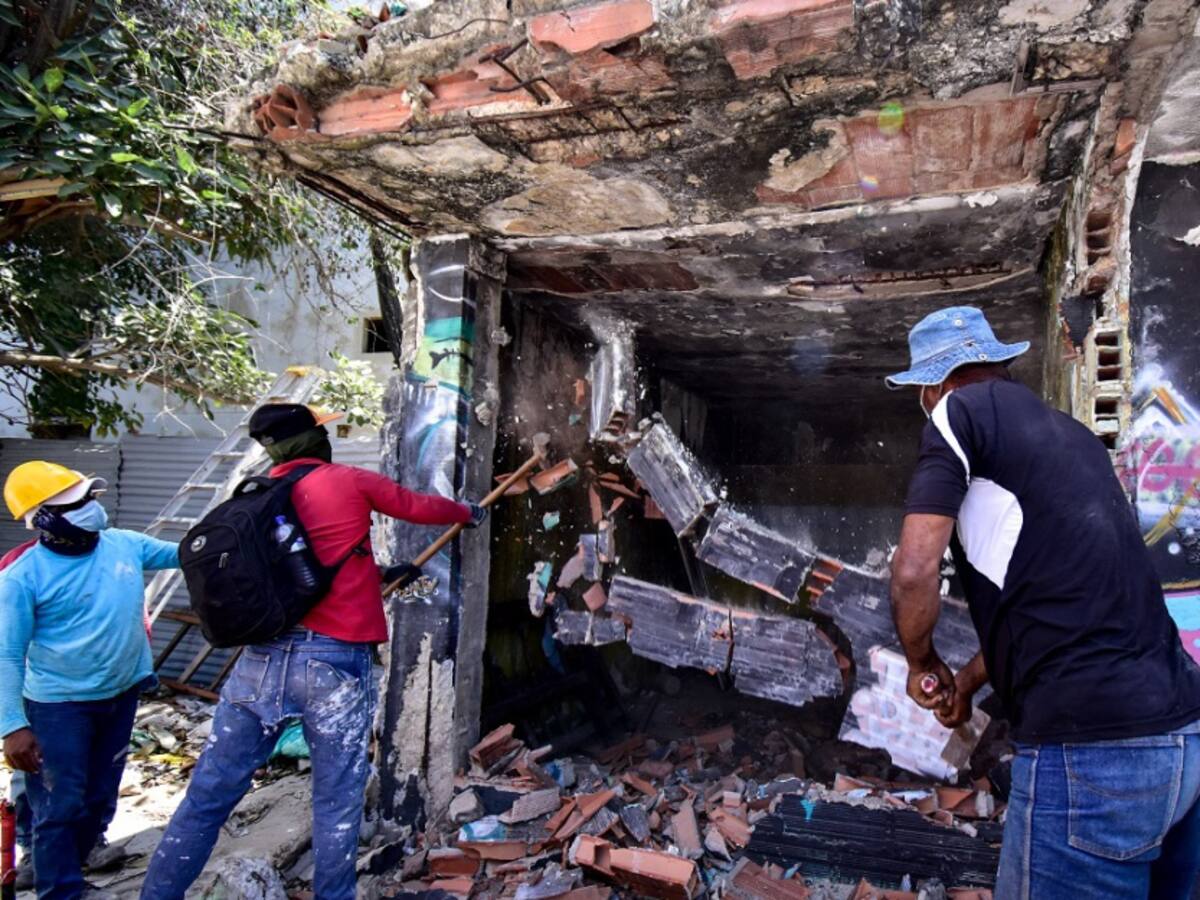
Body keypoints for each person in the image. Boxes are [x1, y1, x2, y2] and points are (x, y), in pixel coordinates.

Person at [887, 306, 1200, 899]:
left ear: (930, 387)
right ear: (1001, 365)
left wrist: (923, 664)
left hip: (1094, 751)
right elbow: (1054, 603)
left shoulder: (958, 410)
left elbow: (913, 569)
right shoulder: (1075, 438)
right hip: (1184, 739)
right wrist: (970, 681)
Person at [141, 403, 487, 900]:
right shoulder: (345, 481)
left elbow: (304, 569)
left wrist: (382, 575)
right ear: (311, 439)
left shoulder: (258, 499)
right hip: (333, 667)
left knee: (206, 798)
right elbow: (417, 506)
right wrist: (467, 512)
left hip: (258, 664)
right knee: (336, 803)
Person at [0, 461, 180, 899]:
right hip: (59, 706)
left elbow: (188, 553)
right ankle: (59, 891)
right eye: (75, 503)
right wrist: (12, 726)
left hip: (121, 695)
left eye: (88, 498)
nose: (90, 508)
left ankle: (70, 872)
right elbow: (6, 654)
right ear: (42, 518)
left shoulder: (124, 545)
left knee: (98, 797)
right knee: (60, 804)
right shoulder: (22, 577)